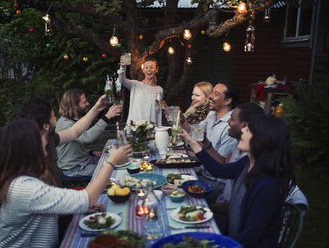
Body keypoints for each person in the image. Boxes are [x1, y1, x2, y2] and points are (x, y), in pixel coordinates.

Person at [0, 119, 133, 248]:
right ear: (29, 147)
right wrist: (111, 162)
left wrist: (73, 207)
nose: (45, 139)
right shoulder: (24, 188)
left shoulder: (23, 178)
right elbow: (88, 197)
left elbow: (44, 207)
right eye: (40, 136)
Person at [181, 115, 295, 247]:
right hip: (233, 238)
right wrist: (191, 141)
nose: (243, 131)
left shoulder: (268, 186)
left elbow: (250, 237)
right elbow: (219, 170)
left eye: (248, 130)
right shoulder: (248, 163)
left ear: (263, 139)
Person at [181, 103, 264, 234]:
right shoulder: (242, 152)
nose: (228, 122)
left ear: (245, 126)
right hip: (228, 212)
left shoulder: (255, 167)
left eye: (232, 118)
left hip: (230, 222)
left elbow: (220, 172)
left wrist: (204, 209)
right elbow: (222, 167)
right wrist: (201, 143)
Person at [17, 95, 110, 186]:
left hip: (60, 192)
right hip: (59, 193)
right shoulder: (34, 170)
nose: (57, 119)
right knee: (109, 168)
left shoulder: (51, 139)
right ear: (46, 126)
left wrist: (97, 107)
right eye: (53, 117)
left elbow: (75, 131)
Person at [56, 89, 122, 181]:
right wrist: (107, 117)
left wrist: (90, 152)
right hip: (75, 169)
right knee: (112, 170)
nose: (87, 104)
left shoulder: (72, 119)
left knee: (117, 161)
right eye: (84, 102)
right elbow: (88, 137)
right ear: (75, 106)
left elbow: (72, 148)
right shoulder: (65, 124)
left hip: (85, 160)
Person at [117, 57, 163, 124]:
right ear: (143, 70)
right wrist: (123, 67)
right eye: (146, 67)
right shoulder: (135, 85)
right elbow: (122, 80)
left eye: (151, 67)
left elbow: (158, 111)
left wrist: (158, 128)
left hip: (150, 129)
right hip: (133, 128)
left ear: (156, 69)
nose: (148, 69)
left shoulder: (159, 90)